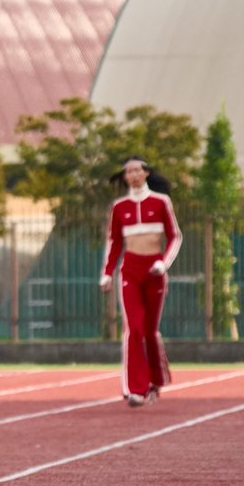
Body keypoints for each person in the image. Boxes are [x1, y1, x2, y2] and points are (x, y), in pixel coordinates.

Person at [100, 157, 181, 407]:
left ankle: (155, 380)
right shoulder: (119, 206)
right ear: (124, 177)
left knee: (149, 329)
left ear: (146, 173)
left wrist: (163, 264)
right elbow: (114, 242)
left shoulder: (161, 202)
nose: (133, 175)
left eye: (137, 170)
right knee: (133, 327)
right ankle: (135, 389)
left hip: (154, 270)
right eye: (128, 172)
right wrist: (107, 272)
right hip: (131, 270)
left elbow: (175, 236)